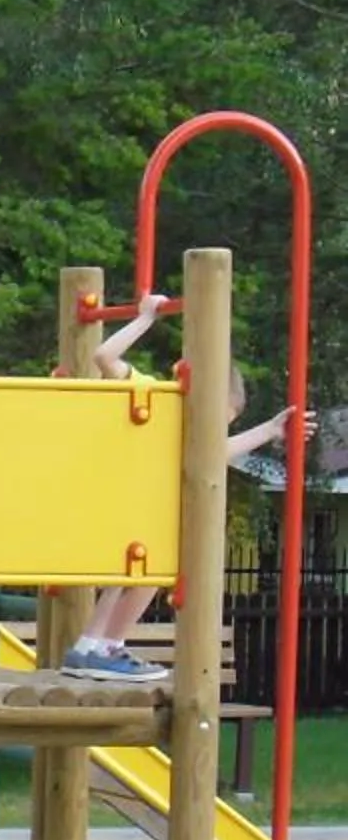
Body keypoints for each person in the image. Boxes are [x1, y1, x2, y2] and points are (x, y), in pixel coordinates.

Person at [64, 290, 308, 682]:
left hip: (130, 504)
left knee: (130, 578)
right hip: (125, 501)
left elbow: (216, 452)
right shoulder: (159, 400)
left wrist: (270, 430)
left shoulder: (185, 430)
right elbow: (104, 357)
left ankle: (90, 646)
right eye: (217, 418)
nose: (216, 430)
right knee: (148, 571)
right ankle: (106, 646)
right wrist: (145, 319)